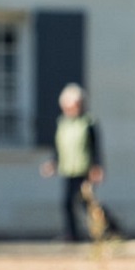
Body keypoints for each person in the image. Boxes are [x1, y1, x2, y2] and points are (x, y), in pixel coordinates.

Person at [41, 83, 105, 242]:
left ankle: (103, 231)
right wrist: (53, 162)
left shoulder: (88, 122)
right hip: (68, 169)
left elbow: (95, 147)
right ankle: (72, 233)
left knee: (88, 204)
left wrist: (97, 167)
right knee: (67, 203)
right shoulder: (62, 123)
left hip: (84, 169)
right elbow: (59, 147)